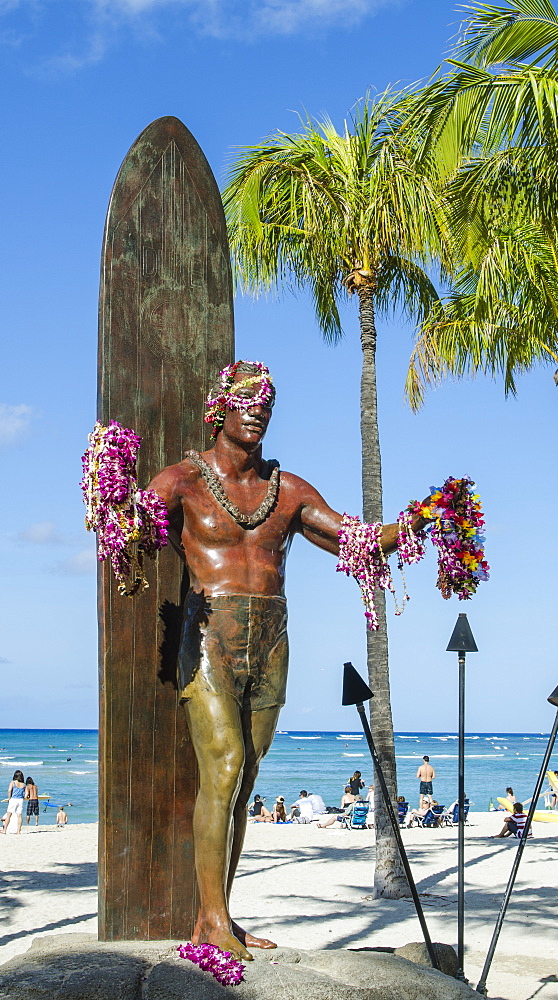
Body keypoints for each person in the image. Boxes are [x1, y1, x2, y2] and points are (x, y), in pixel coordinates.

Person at [148, 360, 431, 959]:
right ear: (219, 407)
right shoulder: (182, 481)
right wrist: (111, 494)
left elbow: (349, 537)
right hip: (209, 634)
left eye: (266, 403)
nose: (257, 410)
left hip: (273, 637)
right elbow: (132, 527)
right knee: (223, 767)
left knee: (245, 779)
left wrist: (418, 521)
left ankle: (219, 915)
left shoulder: (290, 490)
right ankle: (209, 921)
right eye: (246, 399)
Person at [2, 770, 26, 835]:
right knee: (19, 815)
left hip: (13, 799)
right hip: (20, 800)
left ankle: (4, 830)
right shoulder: (23, 785)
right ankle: (18, 831)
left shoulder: (13, 783)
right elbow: (25, 794)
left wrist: (9, 798)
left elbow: (9, 791)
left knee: (9, 815)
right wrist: (23, 797)